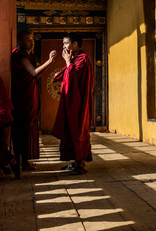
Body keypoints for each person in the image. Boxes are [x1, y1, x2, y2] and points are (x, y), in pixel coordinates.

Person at [11, 31, 56, 172]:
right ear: (20, 41)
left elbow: (36, 73)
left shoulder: (30, 56)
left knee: (27, 130)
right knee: (21, 131)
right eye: (28, 39)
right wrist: (49, 61)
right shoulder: (19, 56)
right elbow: (34, 72)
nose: (32, 42)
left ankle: (25, 161)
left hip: (30, 97)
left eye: (32, 39)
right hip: (21, 100)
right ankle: (20, 162)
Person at [52, 33, 93, 175]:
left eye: (65, 43)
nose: (63, 46)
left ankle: (81, 165)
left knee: (78, 130)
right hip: (72, 102)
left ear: (75, 44)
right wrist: (68, 63)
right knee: (70, 129)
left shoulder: (83, 60)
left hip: (79, 104)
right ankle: (76, 162)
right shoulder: (75, 59)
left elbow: (73, 80)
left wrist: (68, 63)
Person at [0, 76, 16, 179]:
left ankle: (8, 160)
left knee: (2, 143)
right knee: (2, 142)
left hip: (2, 114)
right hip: (4, 113)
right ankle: (10, 159)